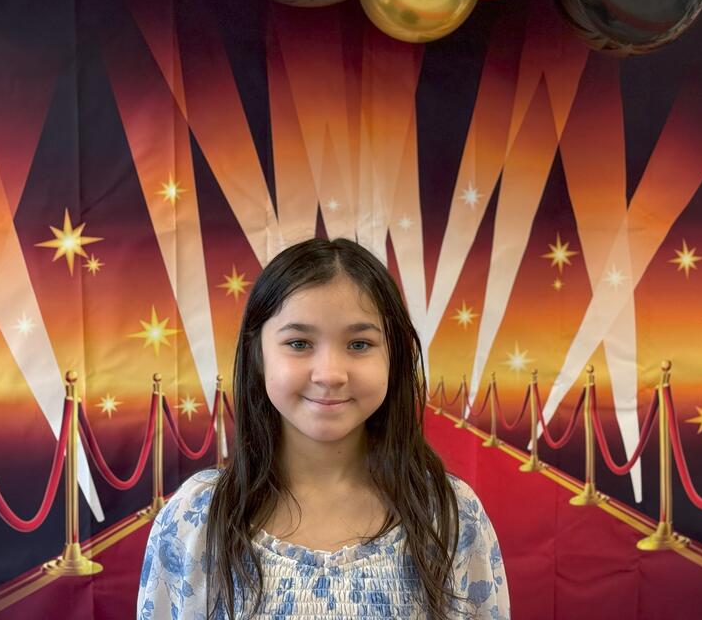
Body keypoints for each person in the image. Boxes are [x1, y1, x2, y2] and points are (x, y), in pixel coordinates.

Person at [137, 238, 509, 620]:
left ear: (393, 356)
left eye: (359, 344)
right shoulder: (195, 519)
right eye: (299, 343)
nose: (330, 375)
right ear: (258, 354)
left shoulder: (450, 516)